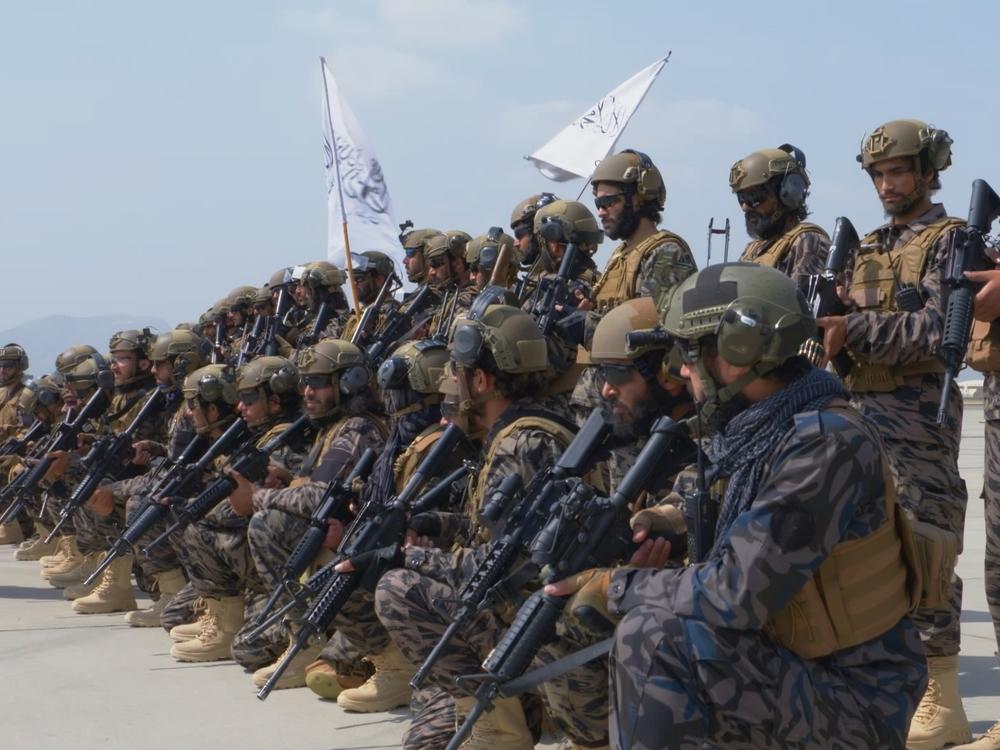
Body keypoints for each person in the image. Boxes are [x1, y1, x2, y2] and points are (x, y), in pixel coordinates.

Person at [572, 262, 926, 750]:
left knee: (653, 634)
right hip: (800, 667)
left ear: (737, 354)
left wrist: (616, 585)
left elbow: (734, 592)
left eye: (689, 354)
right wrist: (662, 522)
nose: (682, 371)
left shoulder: (824, 444)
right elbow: (710, 493)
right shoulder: (763, 429)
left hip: (857, 698)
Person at [816, 119, 971, 749]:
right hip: (859, 409)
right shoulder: (870, 243)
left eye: (898, 172)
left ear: (929, 173)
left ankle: (943, 694)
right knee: (862, 550)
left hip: (916, 413)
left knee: (927, 546)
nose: (886, 184)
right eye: (878, 174)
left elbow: (940, 330)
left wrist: (852, 331)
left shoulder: (951, 239)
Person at [374, 304, 579, 749]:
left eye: (458, 372)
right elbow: (496, 534)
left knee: (396, 588)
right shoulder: (527, 432)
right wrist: (437, 526)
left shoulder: (518, 444)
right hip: (526, 616)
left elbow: (505, 566)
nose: (452, 382)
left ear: (482, 381)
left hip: (531, 626)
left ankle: (501, 729)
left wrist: (409, 556)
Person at [730, 145, 830, 284]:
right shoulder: (752, 250)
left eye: (754, 197)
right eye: (741, 198)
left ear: (788, 193)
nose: (745, 207)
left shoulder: (807, 242)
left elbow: (800, 303)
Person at [0, 343, 30, 543]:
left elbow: (29, 430)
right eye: (1, 365)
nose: (3, 370)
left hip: (20, 451)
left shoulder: (26, 395)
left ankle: (12, 527)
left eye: (9, 365)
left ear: (20, 367)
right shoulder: (2, 393)